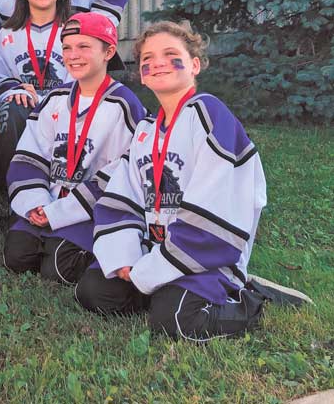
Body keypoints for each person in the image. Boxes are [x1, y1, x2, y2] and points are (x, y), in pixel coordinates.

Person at [75, 21, 308, 340]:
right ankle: (161, 286)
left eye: (170, 54)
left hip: (206, 257)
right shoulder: (145, 130)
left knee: (176, 321)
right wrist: (126, 258)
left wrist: (149, 270)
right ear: (142, 74)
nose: (156, 62)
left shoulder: (209, 114)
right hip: (155, 252)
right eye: (147, 59)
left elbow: (215, 206)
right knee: (93, 291)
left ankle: (248, 297)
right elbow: (121, 199)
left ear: (194, 64)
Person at [4, 12, 145, 284]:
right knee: (16, 257)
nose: (73, 55)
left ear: (108, 51)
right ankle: (49, 230)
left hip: (91, 208)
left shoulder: (124, 106)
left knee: (58, 268)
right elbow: (30, 155)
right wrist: (37, 203)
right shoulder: (56, 98)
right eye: (67, 47)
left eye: (84, 47)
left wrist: (62, 213)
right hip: (50, 198)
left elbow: (122, 174)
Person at [0, 0, 73, 196]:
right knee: (11, 108)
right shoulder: (8, 33)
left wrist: (53, 98)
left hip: (64, 107)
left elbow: (85, 79)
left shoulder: (75, 29)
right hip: (25, 106)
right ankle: (10, 180)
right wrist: (17, 89)